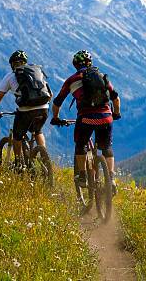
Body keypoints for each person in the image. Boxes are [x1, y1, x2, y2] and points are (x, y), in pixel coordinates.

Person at [50, 50, 121, 193]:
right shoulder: (102, 76)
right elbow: (115, 97)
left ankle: (82, 176)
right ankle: (111, 178)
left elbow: (57, 102)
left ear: (75, 65)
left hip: (86, 119)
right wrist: (116, 113)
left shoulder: (71, 80)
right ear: (91, 63)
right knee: (106, 147)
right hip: (106, 117)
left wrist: (56, 118)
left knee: (81, 144)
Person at [0, 50, 52, 169]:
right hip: (44, 108)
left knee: (17, 136)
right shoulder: (37, 72)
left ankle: (19, 163)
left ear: (12, 64)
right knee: (38, 131)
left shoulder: (10, 76)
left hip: (26, 110)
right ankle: (44, 158)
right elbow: (49, 94)